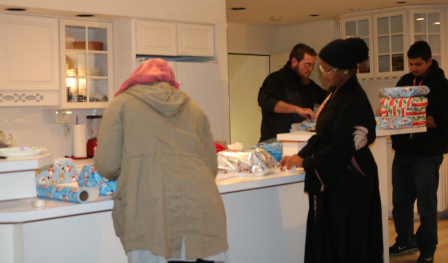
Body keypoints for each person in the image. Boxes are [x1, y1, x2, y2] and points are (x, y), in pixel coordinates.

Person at [94, 59, 228, 263]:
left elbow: (107, 165)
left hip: (151, 214)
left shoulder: (121, 103)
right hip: (202, 216)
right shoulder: (193, 107)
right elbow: (211, 167)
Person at [280, 38, 383, 263]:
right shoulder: (337, 93)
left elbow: (339, 148)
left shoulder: (353, 99)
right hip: (342, 181)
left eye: (327, 70)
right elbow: (323, 135)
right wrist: (302, 155)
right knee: (336, 241)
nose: (323, 75)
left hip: (351, 183)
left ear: (346, 70)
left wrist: (304, 163)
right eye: (322, 69)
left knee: (348, 243)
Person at [389, 41, 448, 263]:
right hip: (403, 153)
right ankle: (405, 241)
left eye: (418, 64)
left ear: (429, 61)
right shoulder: (405, 81)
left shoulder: (442, 86)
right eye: (410, 64)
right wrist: (390, 114)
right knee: (400, 201)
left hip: (427, 154)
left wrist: (409, 118)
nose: (414, 68)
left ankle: (427, 251)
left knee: (426, 204)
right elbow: (392, 108)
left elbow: (441, 119)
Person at [258, 43, 328, 142]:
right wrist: (298, 110)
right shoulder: (275, 79)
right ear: (294, 62)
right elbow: (266, 101)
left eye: (312, 65)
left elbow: (328, 98)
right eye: (307, 64)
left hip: (300, 144)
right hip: (274, 145)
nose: (310, 69)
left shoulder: (309, 85)